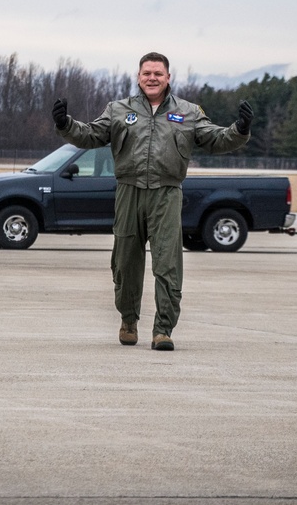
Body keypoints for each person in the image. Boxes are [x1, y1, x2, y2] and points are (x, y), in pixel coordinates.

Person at [52, 52, 251, 351]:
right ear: (138, 76)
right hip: (128, 192)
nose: (152, 78)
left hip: (167, 193)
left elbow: (216, 138)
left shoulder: (188, 112)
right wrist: (65, 123)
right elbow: (91, 134)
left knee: (167, 263)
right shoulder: (119, 110)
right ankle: (128, 321)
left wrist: (240, 130)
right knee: (125, 262)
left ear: (168, 77)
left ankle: (163, 330)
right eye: (147, 73)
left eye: (158, 73)